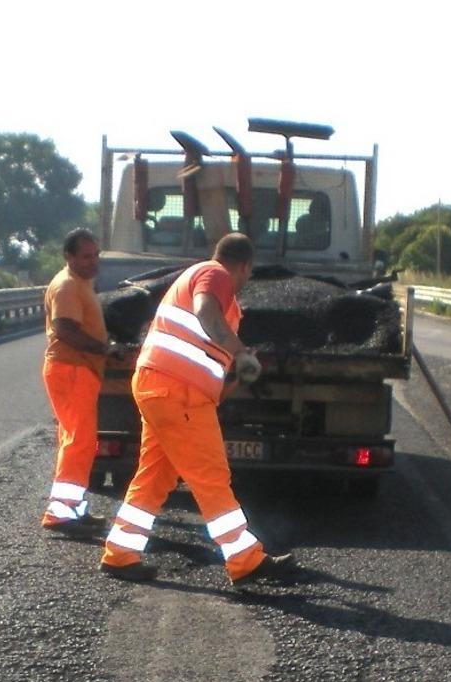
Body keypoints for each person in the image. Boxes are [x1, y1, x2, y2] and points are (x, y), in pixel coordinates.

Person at [100, 232, 297, 585]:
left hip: (161, 387)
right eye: (248, 274)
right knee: (211, 477)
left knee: (155, 476)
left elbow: (205, 360)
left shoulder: (208, 290)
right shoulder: (215, 274)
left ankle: (120, 553)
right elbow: (206, 311)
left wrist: (240, 374)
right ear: (244, 266)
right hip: (177, 393)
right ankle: (245, 560)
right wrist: (242, 353)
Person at [40, 228, 128, 537]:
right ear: (69, 256)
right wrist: (106, 349)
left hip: (76, 370)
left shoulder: (79, 283)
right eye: (86, 256)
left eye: (96, 255)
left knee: (76, 440)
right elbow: (65, 330)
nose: (94, 262)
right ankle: (62, 513)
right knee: (79, 441)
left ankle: (70, 507)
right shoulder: (66, 286)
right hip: (71, 369)